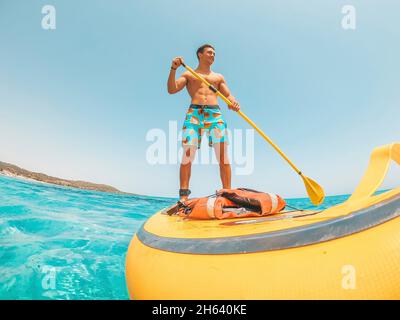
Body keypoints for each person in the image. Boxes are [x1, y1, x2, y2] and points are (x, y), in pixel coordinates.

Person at [167, 44, 240, 202]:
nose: (213, 55)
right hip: (194, 114)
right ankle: (183, 197)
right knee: (188, 155)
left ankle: (227, 195)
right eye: (209, 52)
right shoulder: (189, 74)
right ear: (200, 55)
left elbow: (228, 95)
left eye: (214, 53)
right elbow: (172, 89)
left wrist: (233, 102)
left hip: (215, 114)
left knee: (223, 156)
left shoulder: (218, 77)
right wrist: (173, 69)